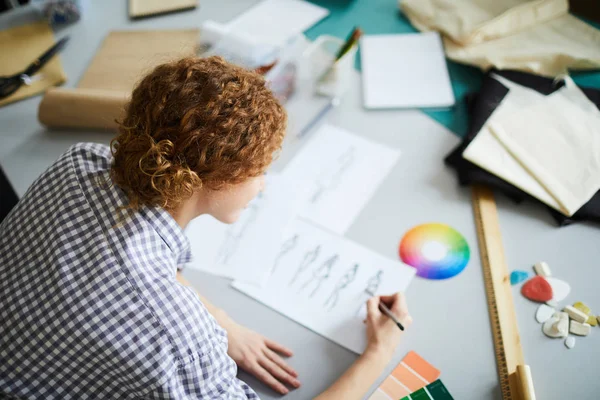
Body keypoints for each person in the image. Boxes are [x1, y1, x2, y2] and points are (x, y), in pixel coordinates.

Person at [0, 56, 412, 399]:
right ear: (209, 181)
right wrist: (379, 352)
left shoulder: (80, 164)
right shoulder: (181, 345)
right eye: (261, 171)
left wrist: (220, 320)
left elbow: (139, 272)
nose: (265, 184)